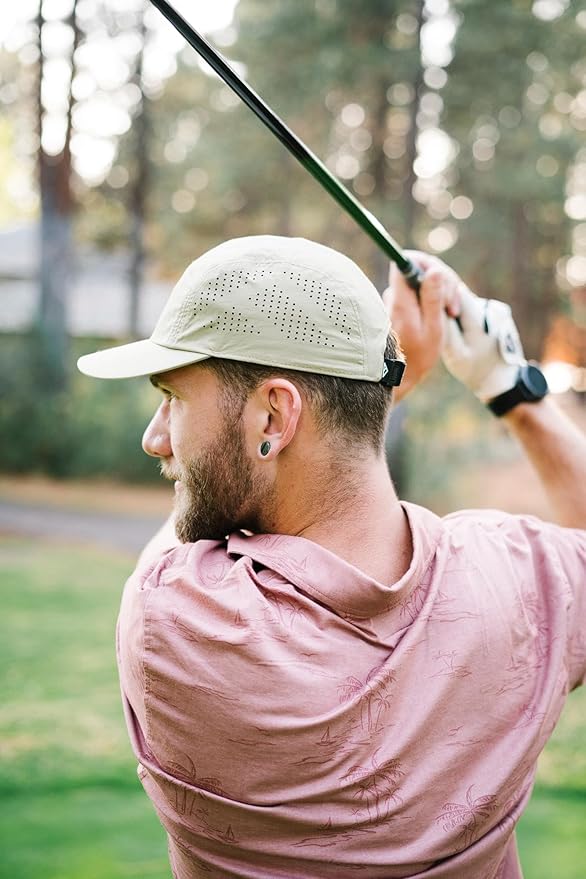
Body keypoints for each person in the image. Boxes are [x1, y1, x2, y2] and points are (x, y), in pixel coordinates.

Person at [78, 236, 585, 879]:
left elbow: (176, 540)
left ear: (274, 416)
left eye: (173, 396)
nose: (155, 438)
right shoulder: (515, 580)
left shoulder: (175, 619)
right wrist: (510, 386)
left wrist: (385, 383)